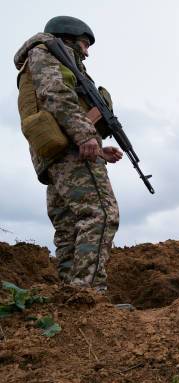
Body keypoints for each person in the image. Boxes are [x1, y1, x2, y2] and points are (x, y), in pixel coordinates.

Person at [14, 16, 121, 292]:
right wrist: (86, 135)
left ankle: (71, 295)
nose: (87, 52)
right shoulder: (47, 52)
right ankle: (89, 294)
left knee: (69, 227)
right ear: (68, 38)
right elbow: (56, 94)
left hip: (56, 153)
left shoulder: (39, 59)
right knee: (101, 213)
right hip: (70, 150)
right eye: (84, 44)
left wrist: (98, 147)